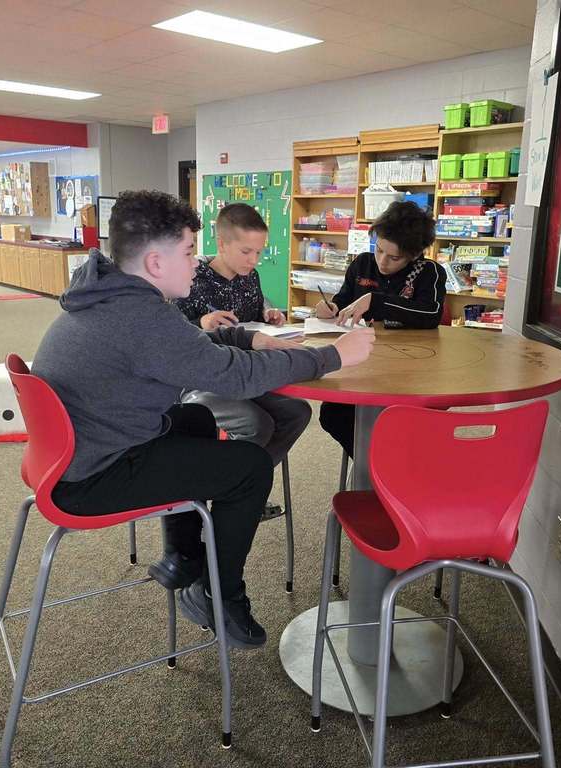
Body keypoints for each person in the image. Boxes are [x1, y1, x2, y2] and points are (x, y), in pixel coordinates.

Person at [32, 190, 374, 649]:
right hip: (93, 475)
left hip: (76, 454)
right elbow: (234, 378)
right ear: (156, 262)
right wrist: (333, 356)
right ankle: (218, 592)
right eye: (190, 252)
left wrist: (244, 337)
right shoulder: (140, 316)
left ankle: (183, 556)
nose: (197, 262)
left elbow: (186, 344)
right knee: (249, 468)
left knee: (192, 418)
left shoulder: (112, 296)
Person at [175, 203, 312, 519]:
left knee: (297, 413)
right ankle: (234, 495)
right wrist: (201, 323)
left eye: (259, 252)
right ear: (222, 244)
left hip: (243, 373)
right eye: (246, 251)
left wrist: (269, 315)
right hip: (198, 379)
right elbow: (167, 337)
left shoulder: (252, 278)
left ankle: (241, 487)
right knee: (257, 423)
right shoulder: (191, 278)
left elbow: (250, 324)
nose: (254, 260)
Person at [314, 201, 446, 458]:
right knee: (332, 414)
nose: (382, 261)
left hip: (410, 374)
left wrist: (376, 300)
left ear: (415, 254)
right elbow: (343, 301)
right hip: (362, 367)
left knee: (405, 423)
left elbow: (431, 314)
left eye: (394, 257)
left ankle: (386, 468)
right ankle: (376, 467)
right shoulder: (362, 264)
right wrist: (329, 308)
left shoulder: (429, 272)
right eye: (379, 249)